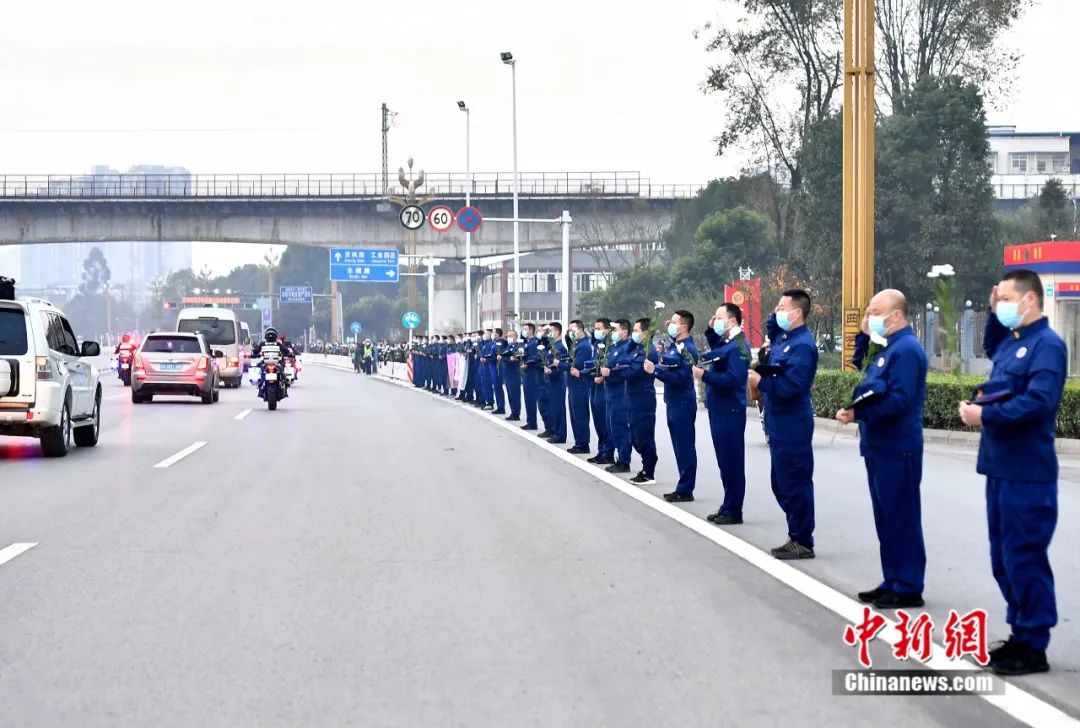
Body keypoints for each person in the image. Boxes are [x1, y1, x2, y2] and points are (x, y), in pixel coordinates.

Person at [959, 269, 1067, 676]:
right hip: (1000, 467)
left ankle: (1033, 643)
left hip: (1027, 471)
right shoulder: (1012, 344)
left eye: (1005, 298)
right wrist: (992, 312)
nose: (1000, 303)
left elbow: (1039, 403)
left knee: (1024, 556)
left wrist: (986, 416)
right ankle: (1020, 632)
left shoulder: (1048, 347)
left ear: (1029, 300)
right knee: (1002, 558)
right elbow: (992, 346)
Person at [835, 290, 928, 610]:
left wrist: (859, 413)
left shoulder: (907, 350)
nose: (869, 315)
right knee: (886, 517)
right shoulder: (887, 347)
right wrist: (863, 334)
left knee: (901, 516)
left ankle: (909, 584)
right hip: (878, 445)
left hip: (897, 446)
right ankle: (892, 579)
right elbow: (862, 367)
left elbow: (899, 399)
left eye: (875, 311)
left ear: (896, 315)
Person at [747, 289, 819, 560]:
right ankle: (796, 533)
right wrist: (776, 314)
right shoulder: (784, 339)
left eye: (781, 308)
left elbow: (793, 386)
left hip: (793, 422)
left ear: (797, 313)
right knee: (781, 482)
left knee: (795, 481)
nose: (776, 313)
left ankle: (802, 539)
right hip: (778, 421)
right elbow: (770, 327)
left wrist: (760, 382)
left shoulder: (803, 346)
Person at [695, 303, 750, 524]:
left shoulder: (740, 346)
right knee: (724, 460)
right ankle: (728, 503)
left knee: (732, 460)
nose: (715, 321)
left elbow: (734, 380)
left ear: (732, 321)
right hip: (719, 409)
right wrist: (711, 329)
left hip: (731, 409)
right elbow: (716, 349)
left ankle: (734, 509)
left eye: (719, 318)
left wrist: (704, 376)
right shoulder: (727, 342)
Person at [646, 310, 699, 501]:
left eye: (674, 322)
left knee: (684, 445)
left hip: (682, 401)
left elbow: (679, 377)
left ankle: (686, 488)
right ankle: (683, 484)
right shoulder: (675, 345)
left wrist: (655, 372)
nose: (670, 325)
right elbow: (669, 364)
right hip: (673, 401)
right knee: (678, 445)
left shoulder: (688, 349)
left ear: (684, 327)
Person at [622, 318, 660, 481]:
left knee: (643, 435)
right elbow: (623, 358)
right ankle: (647, 465)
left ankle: (649, 470)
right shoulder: (637, 348)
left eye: (637, 331)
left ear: (646, 333)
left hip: (643, 399)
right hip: (633, 398)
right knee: (635, 435)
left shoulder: (648, 351)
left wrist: (620, 368)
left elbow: (631, 371)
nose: (634, 334)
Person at [599, 320, 633, 473]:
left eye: (616, 330)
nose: (613, 333)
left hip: (620, 392)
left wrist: (610, 373)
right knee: (611, 426)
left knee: (619, 426)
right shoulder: (614, 347)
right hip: (610, 391)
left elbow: (623, 370)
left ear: (624, 332)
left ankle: (624, 460)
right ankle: (617, 456)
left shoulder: (627, 348)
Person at [587, 318, 615, 465]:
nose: (595, 331)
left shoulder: (611, 345)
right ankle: (601, 450)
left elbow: (611, 365)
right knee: (598, 420)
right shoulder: (597, 344)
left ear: (607, 330)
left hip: (604, 385)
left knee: (605, 421)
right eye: (594, 328)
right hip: (595, 384)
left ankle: (608, 452)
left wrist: (603, 377)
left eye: (598, 328)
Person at [566, 320, 593, 454]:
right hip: (573, 384)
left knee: (580, 415)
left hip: (580, 384)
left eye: (573, 330)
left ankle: (583, 443)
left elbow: (576, 366)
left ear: (581, 329)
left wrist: (559, 364)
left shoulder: (584, 346)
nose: (570, 333)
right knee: (574, 415)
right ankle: (579, 442)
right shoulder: (576, 345)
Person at [543, 322, 569, 444]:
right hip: (551, 381)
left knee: (558, 409)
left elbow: (561, 366)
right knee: (553, 407)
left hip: (557, 381)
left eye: (551, 331)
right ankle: (555, 432)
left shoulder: (560, 348)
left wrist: (552, 371)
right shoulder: (552, 346)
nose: (549, 334)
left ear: (557, 331)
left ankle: (560, 434)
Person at [521, 323, 543, 430]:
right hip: (527, 372)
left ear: (531, 330)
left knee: (530, 398)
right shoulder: (528, 342)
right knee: (527, 398)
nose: (523, 331)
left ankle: (532, 422)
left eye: (525, 329)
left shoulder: (533, 343)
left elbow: (534, 358)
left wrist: (527, 363)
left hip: (531, 373)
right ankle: (530, 420)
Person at [502, 329, 523, 421]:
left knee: (515, 393)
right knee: (510, 393)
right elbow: (505, 357)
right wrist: (506, 358)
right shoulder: (508, 346)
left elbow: (516, 358)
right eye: (508, 336)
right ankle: (513, 412)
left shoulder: (518, 347)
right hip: (507, 372)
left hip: (514, 373)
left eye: (511, 336)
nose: (509, 338)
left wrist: (506, 358)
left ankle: (516, 413)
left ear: (515, 337)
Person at [491, 328, 507, 414]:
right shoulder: (494, 342)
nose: (492, 334)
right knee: (496, 387)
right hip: (493, 365)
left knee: (498, 386)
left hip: (499, 365)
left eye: (493, 332)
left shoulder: (501, 342)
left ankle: (501, 407)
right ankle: (499, 406)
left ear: (497, 334)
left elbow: (502, 352)